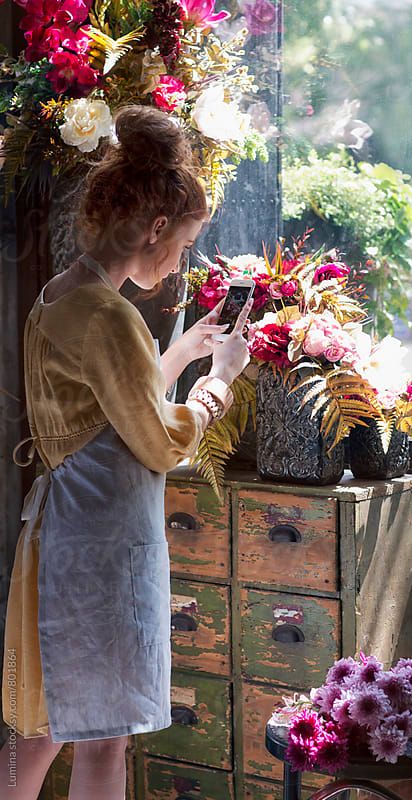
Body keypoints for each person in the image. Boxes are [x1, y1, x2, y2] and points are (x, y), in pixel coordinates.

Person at [0, 105, 251, 799]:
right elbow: (156, 441)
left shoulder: (61, 295)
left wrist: (177, 355)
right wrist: (220, 380)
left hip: (65, 535)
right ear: (156, 227)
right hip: (104, 548)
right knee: (103, 739)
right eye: (187, 241)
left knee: (42, 730)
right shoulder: (111, 316)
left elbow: (101, 415)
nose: (182, 261)